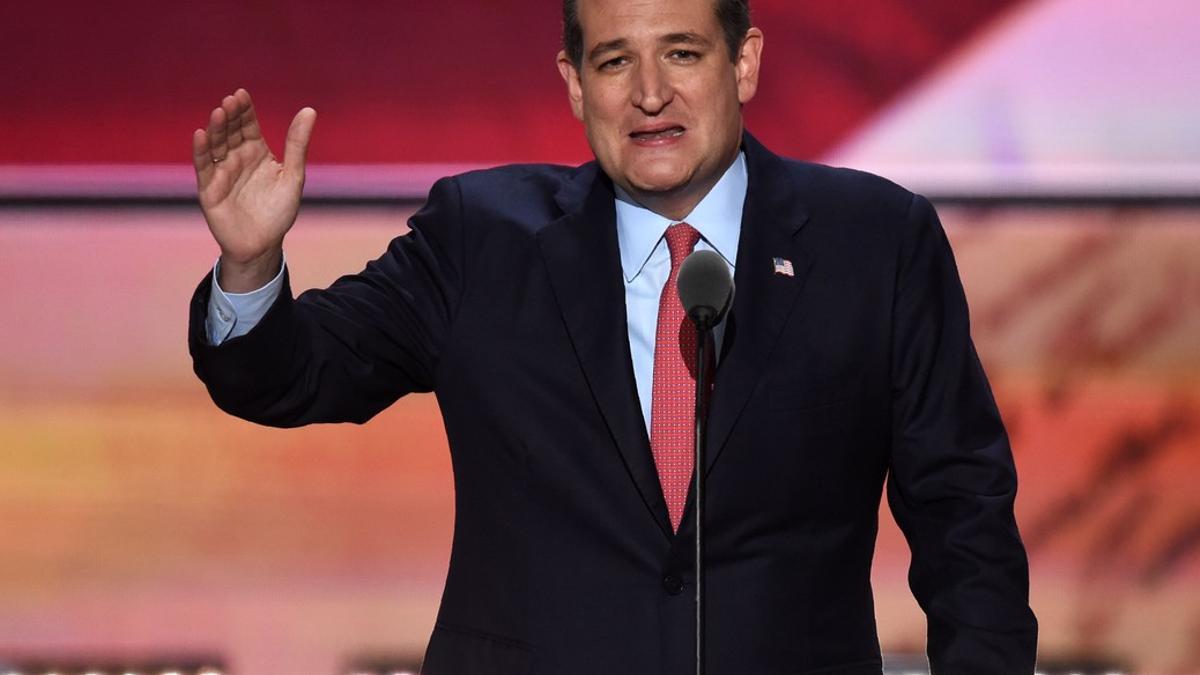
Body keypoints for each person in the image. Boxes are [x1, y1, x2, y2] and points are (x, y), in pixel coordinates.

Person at [188, 0, 1038, 673]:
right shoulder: (480, 238)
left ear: (743, 62)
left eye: (681, 51)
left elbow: (965, 519)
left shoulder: (875, 242)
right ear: (573, 82)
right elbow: (294, 373)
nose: (649, 94)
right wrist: (252, 266)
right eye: (614, 60)